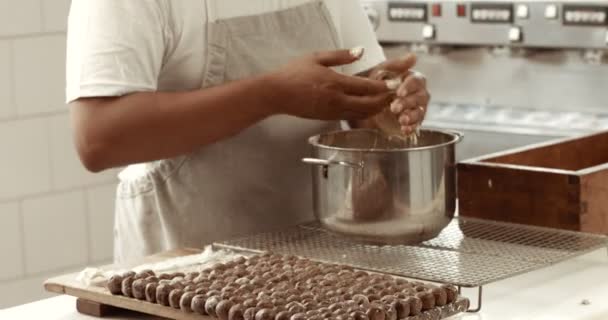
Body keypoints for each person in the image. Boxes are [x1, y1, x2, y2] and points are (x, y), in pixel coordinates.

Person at [66, 0, 430, 263]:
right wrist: (271, 95)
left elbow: (360, 95)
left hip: (320, 263)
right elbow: (99, 138)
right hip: (185, 269)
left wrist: (388, 102)